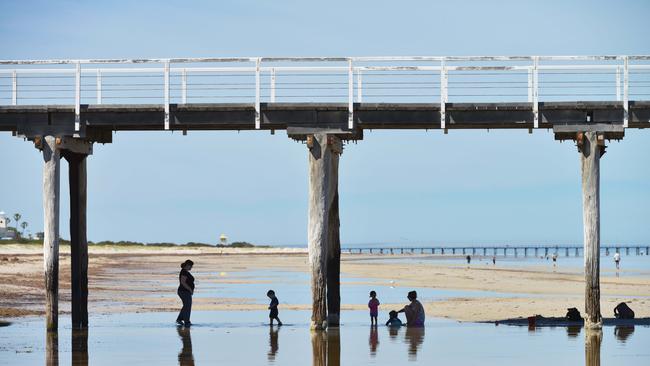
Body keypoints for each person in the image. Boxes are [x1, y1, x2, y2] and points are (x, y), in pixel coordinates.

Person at [176, 259, 195, 326]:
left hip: (185, 291)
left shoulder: (185, 271)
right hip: (183, 291)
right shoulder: (184, 272)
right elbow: (183, 282)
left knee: (186, 306)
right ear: (187, 265)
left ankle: (180, 319)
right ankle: (186, 322)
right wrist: (190, 289)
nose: (191, 267)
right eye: (191, 266)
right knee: (187, 306)